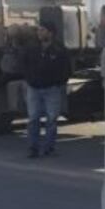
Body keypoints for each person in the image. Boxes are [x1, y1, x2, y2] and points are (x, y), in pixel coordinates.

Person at [23, 21, 71, 158]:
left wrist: (59, 82)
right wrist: (29, 79)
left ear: (51, 33)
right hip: (34, 89)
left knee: (51, 120)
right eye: (38, 30)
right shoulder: (31, 48)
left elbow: (66, 68)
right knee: (33, 119)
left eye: (42, 30)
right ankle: (33, 148)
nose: (39, 33)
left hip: (52, 89)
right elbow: (24, 64)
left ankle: (49, 148)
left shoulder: (59, 49)